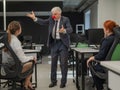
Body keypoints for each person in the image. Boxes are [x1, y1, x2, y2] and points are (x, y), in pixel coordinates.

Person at [26, 6, 73, 88]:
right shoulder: (51, 19)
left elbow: (70, 29)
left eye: (55, 14)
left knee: (63, 64)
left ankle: (63, 82)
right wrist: (34, 18)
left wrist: (64, 30)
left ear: (60, 13)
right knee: (53, 64)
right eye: (52, 14)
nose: (53, 16)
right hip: (54, 43)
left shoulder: (65, 19)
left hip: (63, 44)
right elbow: (43, 22)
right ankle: (53, 81)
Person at [2, 21, 36, 90]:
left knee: (27, 63)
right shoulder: (15, 41)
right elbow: (22, 59)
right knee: (32, 62)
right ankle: (26, 85)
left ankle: (27, 83)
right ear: (18, 30)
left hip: (4, 68)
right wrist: (32, 57)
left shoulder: (5, 39)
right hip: (13, 69)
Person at [86, 20, 118, 90]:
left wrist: (91, 58)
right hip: (114, 65)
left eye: (104, 28)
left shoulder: (107, 40)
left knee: (90, 63)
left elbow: (101, 56)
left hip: (104, 66)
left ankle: (99, 87)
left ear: (108, 30)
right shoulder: (116, 39)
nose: (103, 29)